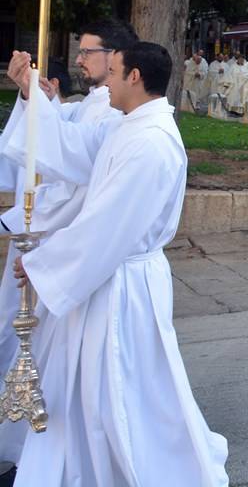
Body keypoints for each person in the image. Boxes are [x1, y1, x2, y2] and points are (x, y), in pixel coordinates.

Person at [4, 41, 229, 485]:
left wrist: (42, 263)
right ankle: (77, 466)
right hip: (106, 275)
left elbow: (108, 225)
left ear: (135, 77)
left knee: (122, 390)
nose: (104, 83)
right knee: (93, 387)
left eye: (114, 73)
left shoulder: (151, 142)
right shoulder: (128, 127)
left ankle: (140, 470)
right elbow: (69, 147)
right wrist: (31, 91)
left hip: (123, 281)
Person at [0, 21, 138, 463]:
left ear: (117, 57)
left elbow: (72, 156)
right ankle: (28, 443)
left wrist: (36, 104)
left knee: (46, 348)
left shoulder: (117, 111)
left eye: (88, 52)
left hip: (66, 242)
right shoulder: (98, 102)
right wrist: (36, 99)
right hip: (54, 236)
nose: (79, 60)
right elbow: (65, 132)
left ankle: (43, 446)